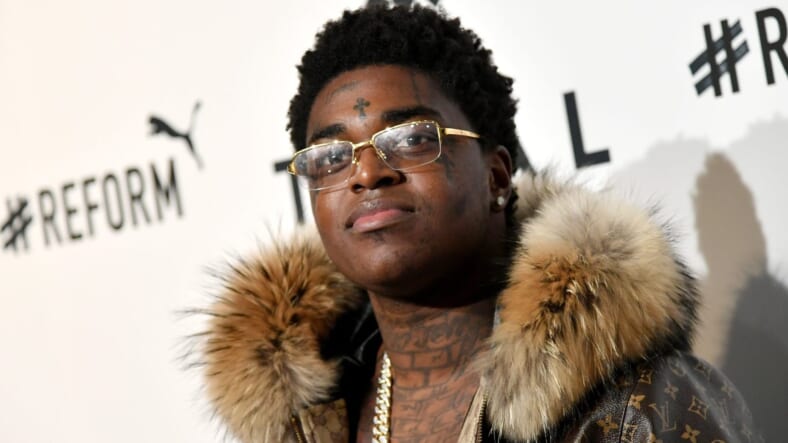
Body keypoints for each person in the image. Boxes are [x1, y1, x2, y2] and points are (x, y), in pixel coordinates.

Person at [194, 4, 759, 442]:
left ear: (497, 176)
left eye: (412, 138)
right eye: (331, 157)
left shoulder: (641, 405)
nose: (366, 172)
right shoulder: (305, 423)